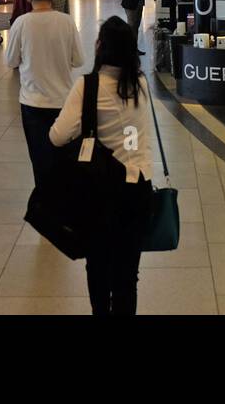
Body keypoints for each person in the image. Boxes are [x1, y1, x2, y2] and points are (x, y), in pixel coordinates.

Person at [48, 16, 154, 316]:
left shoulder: (87, 86)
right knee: (127, 275)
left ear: (100, 47)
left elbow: (57, 136)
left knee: (98, 268)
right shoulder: (141, 84)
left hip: (101, 192)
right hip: (139, 189)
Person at [5, 0, 85, 185]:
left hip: (33, 102)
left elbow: (11, 60)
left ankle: (45, 201)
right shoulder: (66, 21)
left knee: (40, 159)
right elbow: (78, 60)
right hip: (63, 100)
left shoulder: (22, 23)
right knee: (64, 158)